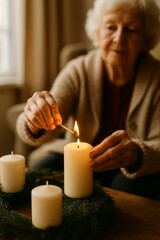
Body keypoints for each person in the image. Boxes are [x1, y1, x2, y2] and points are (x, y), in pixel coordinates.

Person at [17, 0, 160, 200]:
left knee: (125, 184)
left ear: (146, 39)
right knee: (41, 169)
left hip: (132, 170)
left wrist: (137, 153)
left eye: (132, 30)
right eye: (111, 27)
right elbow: (51, 113)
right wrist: (36, 118)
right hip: (81, 162)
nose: (119, 39)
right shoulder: (78, 70)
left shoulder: (157, 78)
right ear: (97, 32)